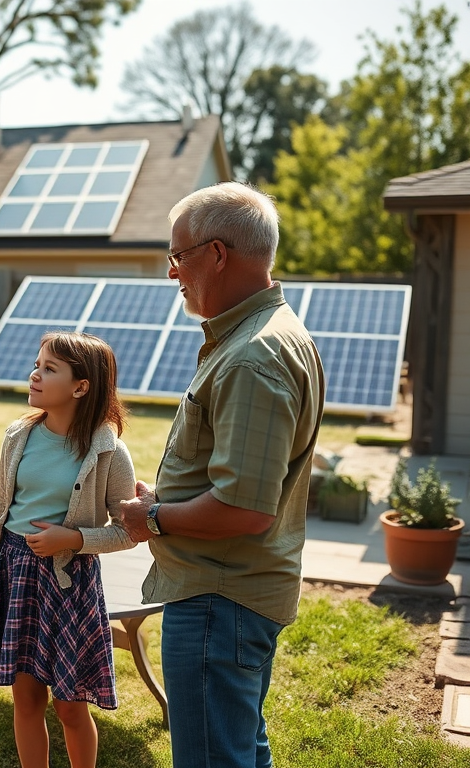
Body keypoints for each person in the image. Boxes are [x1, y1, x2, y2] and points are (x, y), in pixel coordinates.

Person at [119, 181, 325, 768]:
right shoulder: (265, 335)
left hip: (219, 601)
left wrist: (152, 518)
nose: (171, 272)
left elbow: (245, 509)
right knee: (239, 750)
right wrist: (167, 495)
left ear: (216, 254)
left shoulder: (253, 356)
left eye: (178, 255)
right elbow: (246, 481)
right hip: (236, 599)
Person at [0, 331, 136, 768]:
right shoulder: (17, 437)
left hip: (68, 584)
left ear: (81, 387)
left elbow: (128, 531)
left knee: (69, 705)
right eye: (37, 363)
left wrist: (74, 540)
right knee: (26, 700)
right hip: (15, 576)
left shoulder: (109, 452)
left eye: (49, 369)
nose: (34, 374)